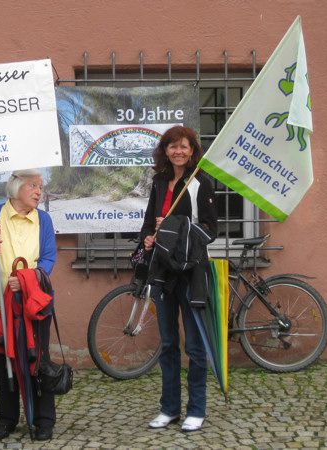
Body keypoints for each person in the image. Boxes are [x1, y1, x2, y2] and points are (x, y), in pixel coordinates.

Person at [141, 126, 217, 432]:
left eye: (184, 146)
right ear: (165, 150)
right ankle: (169, 408)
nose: (178, 152)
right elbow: (149, 221)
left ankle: (196, 408)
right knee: (169, 343)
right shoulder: (160, 181)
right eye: (173, 146)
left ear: (192, 149)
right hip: (163, 273)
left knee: (195, 347)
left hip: (192, 272)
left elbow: (211, 230)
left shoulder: (200, 182)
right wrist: (147, 238)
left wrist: (172, 227)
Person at [0, 169, 57, 441]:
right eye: (33, 186)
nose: (38, 191)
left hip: (32, 304)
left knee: (38, 359)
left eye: (40, 186)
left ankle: (43, 419)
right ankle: (7, 418)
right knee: (2, 362)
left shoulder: (43, 220)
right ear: (16, 188)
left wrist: (27, 279)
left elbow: (48, 259)